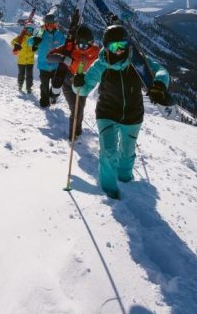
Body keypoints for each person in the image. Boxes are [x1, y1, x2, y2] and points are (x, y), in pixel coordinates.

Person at [72, 25, 170, 199]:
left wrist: (160, 84)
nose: (119, 51)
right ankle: (109, 191)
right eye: (113, 47)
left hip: (133, 115)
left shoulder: (137, 62)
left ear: (128, 45)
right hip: (107, 113)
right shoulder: (101, 64)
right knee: (108, 151)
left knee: (127, 151)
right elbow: (84, 89)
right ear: (105, 46)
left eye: (122, 45)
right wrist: (77, 83)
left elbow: (161, 71)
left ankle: (126, 181)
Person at [46, 24, 101, 139]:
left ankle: (78, 132)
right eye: (80, 45)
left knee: (79, 108)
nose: (83, 48)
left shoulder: (97, 52)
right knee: (75, 109)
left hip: (84, 83)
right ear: (76, 42)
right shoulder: (70, 48)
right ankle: (73, 137)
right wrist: (64, 59)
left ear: (92, 43)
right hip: (68, 80)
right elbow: (49, 56)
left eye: (87, 45)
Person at [29, 13, 66, 108]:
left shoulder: (59, 35)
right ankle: (44, 102)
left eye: (52, 24)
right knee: (44, 85)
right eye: (47, 25)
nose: (50, 27)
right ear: (45, 25)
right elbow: (29, 42)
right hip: (43, 65)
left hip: (55, 65)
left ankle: (53, 96)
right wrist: (35, 40)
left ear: (55, 25)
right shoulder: (40, 32)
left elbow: (66, 46)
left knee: (55, 85)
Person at [10, 24, 36, 93]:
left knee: (29, 75)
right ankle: (20, 85)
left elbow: (37, 47)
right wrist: (16, 45)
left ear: (32, 31)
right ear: (25, 30)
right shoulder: (21, 37)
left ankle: (29, 88)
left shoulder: (34, 39)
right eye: (28, 30)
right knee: (21, 74)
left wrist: (36, 47)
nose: (29, 31)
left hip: (30, 60)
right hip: (21, 60)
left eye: (31, 30)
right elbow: (12, 42)